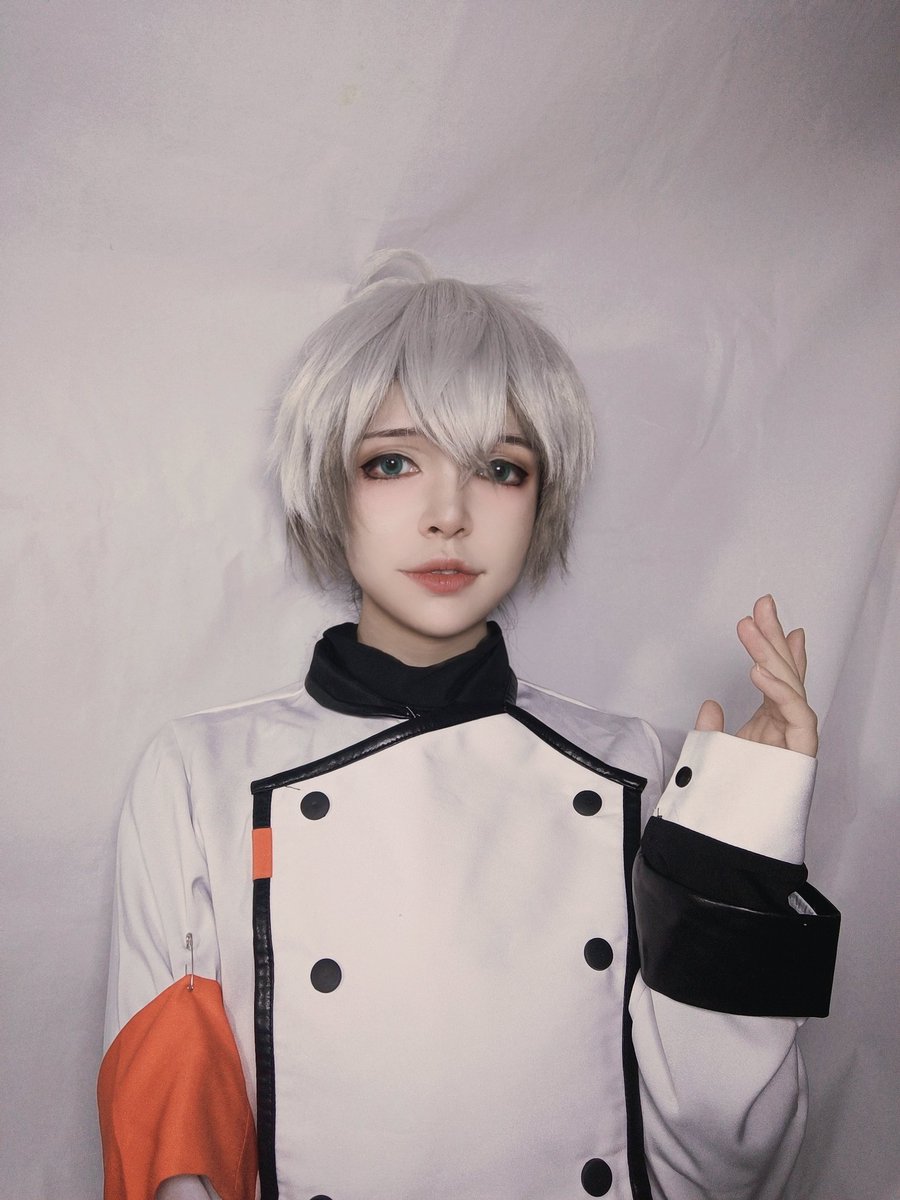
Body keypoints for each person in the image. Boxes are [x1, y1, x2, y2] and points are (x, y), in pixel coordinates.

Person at [98, 250, 840, 1200]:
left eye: (499, 468)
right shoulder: (199, 775)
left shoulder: (636, 769)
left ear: (541, 500)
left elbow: (730, 1174)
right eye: (392, 462)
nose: (448, 514)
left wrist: (738, 853)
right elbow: (172, 1147)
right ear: (329, 486)